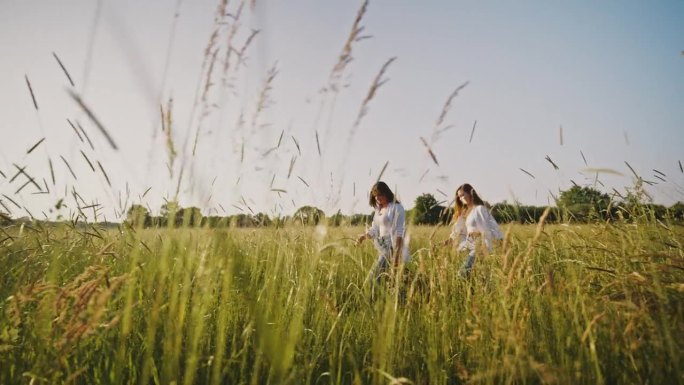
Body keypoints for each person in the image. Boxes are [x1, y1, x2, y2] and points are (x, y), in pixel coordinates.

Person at [442, 183, 503, 277]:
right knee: (477, 277)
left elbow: (489, 229)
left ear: (471, 193)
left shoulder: (480, 209)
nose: (461, 198)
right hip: (470, 247)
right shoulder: (466, 213)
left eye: (463, 195)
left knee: (462, 274)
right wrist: (448, 241)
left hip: (481, 248)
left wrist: (477, 233)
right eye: (459, 197)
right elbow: (459, 231)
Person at [357, 181, 410, 279]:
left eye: (379, 195)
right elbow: (375, 230)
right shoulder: (378, 211)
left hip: (392, 247)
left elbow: (399, 232)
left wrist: (396, 256)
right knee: (392, 280)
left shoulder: (397, 207)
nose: (377, 198)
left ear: (386, 193)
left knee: (373, 279)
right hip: (381, 247)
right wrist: (364, 237)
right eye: (375, 196)